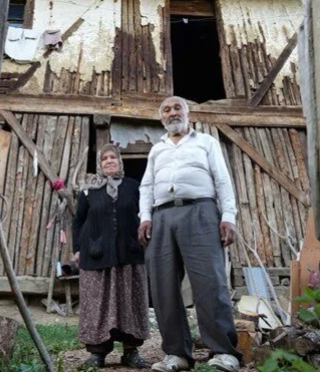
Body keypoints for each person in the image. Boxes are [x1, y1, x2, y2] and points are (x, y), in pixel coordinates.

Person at [138, 96, 242, 372]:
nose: (172, 113)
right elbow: (146, 186)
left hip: (201, 212)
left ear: (188, 114)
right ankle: (177, 354)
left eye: (177, 108)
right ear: (162, 118)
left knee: (210, 282)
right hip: (161, 217)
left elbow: (222, 180)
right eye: (167, 110)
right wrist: (145, 217)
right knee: (163, 287)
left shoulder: (205, 142)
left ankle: (223, 351)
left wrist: (228, 216)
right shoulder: (156, 149)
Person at [72, 144, 150, 369]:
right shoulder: (89, 190)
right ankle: (98, 353)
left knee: (129, 303)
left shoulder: (134, 187)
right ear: (100, 164)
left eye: (112, 157)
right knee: (98, 306)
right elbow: (78, 221)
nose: (108, 161)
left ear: (120, 161)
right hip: (96, 256)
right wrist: (77, 248)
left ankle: (131, 351)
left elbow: (144, 214)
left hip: (129, 254)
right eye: (104, 158)